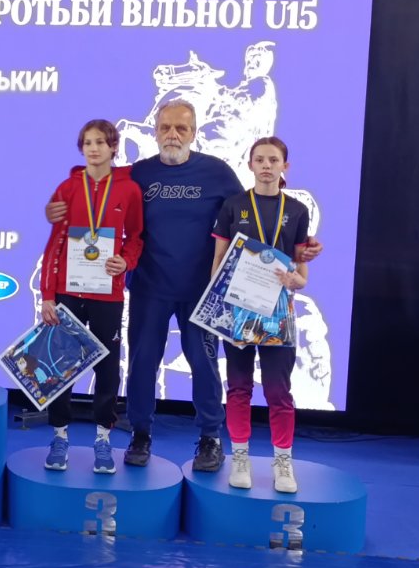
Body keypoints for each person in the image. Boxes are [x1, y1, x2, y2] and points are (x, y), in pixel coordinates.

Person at [45, 102, 321, 472]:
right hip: (150, 288)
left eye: (181, 128)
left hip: (201, 292)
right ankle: (140, 434)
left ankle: (210, 438)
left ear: (194, 133)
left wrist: (300, 246)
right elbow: (96, 174)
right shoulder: (140, 173)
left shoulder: (217, 172)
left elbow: (252, 216)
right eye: (165, 127)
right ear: (156, 131)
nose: (172, 135)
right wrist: (58, 202)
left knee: (204, 364)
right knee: (142, 363)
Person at [36, 119, 143, 474]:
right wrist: (47, 295)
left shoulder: (130, 190)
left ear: (113, 147)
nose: (94, 148)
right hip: (67, 289)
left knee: (107, 365)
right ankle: (59, 436)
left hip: (107, 293)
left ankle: (103, 438)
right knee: (60, 364)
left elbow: (136, 237)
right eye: (87, 143)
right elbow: (55, 243)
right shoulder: (68, 187)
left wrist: (125, 261)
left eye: (100, 142)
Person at [211, 136, 310, 493]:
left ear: (285, 166)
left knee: (278, 390)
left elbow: (301, 269)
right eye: (260, 160)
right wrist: (218, 306)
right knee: (238, 387)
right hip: (239, 310)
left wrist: (296, 280)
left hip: (277, 311)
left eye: (273, 160)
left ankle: (283, 461)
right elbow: (218, 260)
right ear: (250, 164)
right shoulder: (234, 205)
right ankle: (239, 456)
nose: (266, 166)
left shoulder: (297, 210)